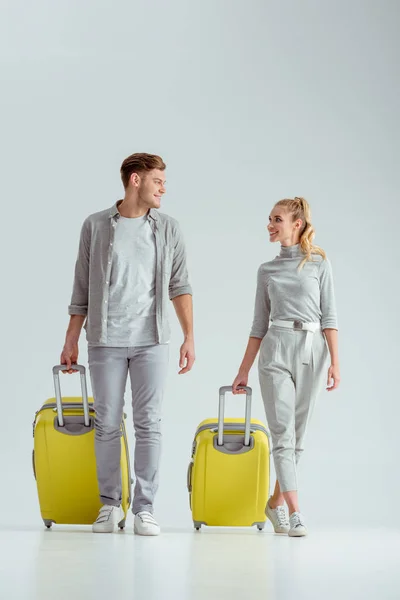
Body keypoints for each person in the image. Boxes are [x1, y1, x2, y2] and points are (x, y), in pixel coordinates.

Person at [60, 152, 195, 535]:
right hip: (105, 339)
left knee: (148, 423)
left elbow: (180, 286)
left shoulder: (168, 228)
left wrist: (189, 336)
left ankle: (144, 508)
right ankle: (109, 505)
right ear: (136, 180)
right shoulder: (96, 225)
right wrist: (71, 337)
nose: (163, 188)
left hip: (152, 340)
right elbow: (81, 288)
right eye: (158, 181)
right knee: (106, 423)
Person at [232, 197, 339, 537]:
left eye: (277, 219)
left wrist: (336, 361)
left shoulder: (320, 264)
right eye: (269, 219)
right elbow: (258, 325)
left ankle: (275, 502)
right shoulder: (267, 271)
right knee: (283, 434)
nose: (270, 225)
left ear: (297, 223)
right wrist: (243, 369)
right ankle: (295, 512)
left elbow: (330, 317)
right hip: (275, 349)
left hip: (312, 350)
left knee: (299, 437)